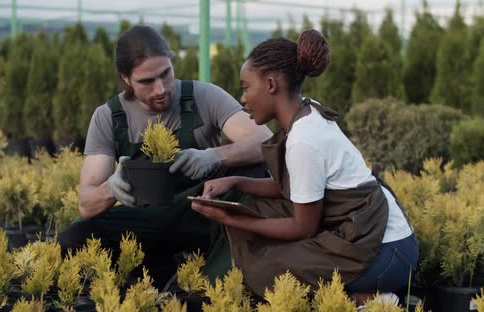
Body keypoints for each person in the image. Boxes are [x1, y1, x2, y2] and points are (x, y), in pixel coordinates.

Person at [190, 29, 418, 306]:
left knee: (268, 267)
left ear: (271, 84)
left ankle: (366, 299)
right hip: (371, 236)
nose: (243, 99)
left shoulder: (304, 140)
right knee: (256, 211)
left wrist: (232, 219)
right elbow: (296, 186)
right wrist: (235, 181)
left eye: (246, 87)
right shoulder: (307, 112)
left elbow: (302, 227)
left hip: (386, 254)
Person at [57, 25, 272, 287]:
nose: (160, 89)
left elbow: (264, 140)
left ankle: (218, 281)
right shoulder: (109, 117)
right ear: (126, 78)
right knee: (75, 237)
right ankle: (143, 283)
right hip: (146, 219)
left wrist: (213, 156)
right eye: (147, 81)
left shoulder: (203, 96)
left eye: (165, 74)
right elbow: (86, 203)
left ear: (171, 63)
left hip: (201, 212)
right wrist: (110, 189)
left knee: (255, 173)